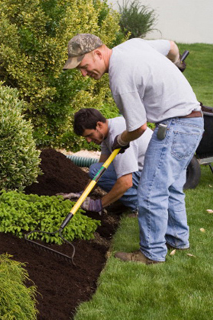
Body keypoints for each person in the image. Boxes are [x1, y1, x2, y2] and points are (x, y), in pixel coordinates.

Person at [63, 34, 204, 265]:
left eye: (84, 66)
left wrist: (120, 140)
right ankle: (178, 239)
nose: (83, 73)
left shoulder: (119, 77)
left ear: (98, 53)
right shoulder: (133, 45)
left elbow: (137, 127)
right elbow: (171, 46)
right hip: (192, 121)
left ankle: (151, 253)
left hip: (174, 126)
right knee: (172, 187)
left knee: (150, 191)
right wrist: (176, 63)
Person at [63, 108, 152, 214]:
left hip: (152, 175)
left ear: (99, 125)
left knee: (100, 172)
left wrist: (98, 204)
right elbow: (100, 171)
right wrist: (83, 195)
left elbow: (126, 182)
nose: (88, 140)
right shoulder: (106, 133)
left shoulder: (118, 136)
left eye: (89, 135)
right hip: (143, 170)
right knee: (96, 170)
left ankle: (141, 205)